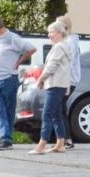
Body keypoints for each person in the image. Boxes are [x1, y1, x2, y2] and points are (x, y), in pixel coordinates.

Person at [0, 16, 34, 150]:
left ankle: (7, 139)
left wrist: (18, 62)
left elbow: (31, 48)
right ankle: (4, 138)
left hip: (8, 79)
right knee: (0, 110)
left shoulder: (13, 38)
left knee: (8, 110)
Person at [31, 22, 73, 155]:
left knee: (47, 114)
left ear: (60, 33)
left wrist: (41, 79)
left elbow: (51, 67)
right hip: (60, 84)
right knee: (56, 115)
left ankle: (42, 145)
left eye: (51, 32)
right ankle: (60, 143)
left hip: (55, 84)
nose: (49, 35)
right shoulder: (63, 46)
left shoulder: (59, 47)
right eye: (48, 32)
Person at [58, 13, 82, 148]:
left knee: (59, 109)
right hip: (68, 80)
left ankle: (65, 139)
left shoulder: (69, 43)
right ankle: (64, 139)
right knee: (60, 109)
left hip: (67, 80)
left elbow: (68, 63)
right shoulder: (69, 41)